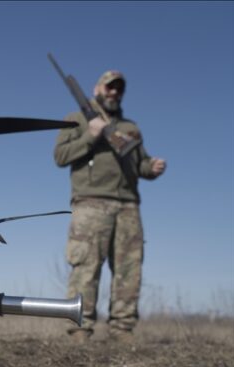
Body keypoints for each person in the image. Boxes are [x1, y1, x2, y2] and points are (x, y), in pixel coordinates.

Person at [54, 70, 166, 343]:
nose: (114, 92)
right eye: (109, 87)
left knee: (130, 268)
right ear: (97, 89)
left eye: (119, 88)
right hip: (90, 202)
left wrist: (152, 167)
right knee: (86, 265)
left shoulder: (131, 128)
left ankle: (122, 329)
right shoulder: (76, 119)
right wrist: (90, 136)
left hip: (128, 205)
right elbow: (60, 156)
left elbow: (139, 163)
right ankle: (79, 329)